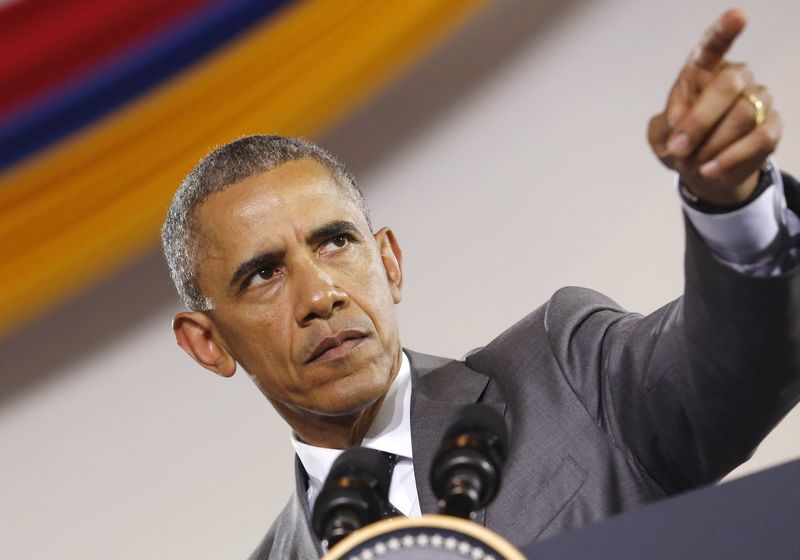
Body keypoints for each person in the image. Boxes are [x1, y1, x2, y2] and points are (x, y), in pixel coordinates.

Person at [160, 9, 800, 559]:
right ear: (208, 344)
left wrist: (732, 204)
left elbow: (743, 367)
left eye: (336, 242)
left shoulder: (566, 375)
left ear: (390, 263)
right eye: (264, 274)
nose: (320, 295)